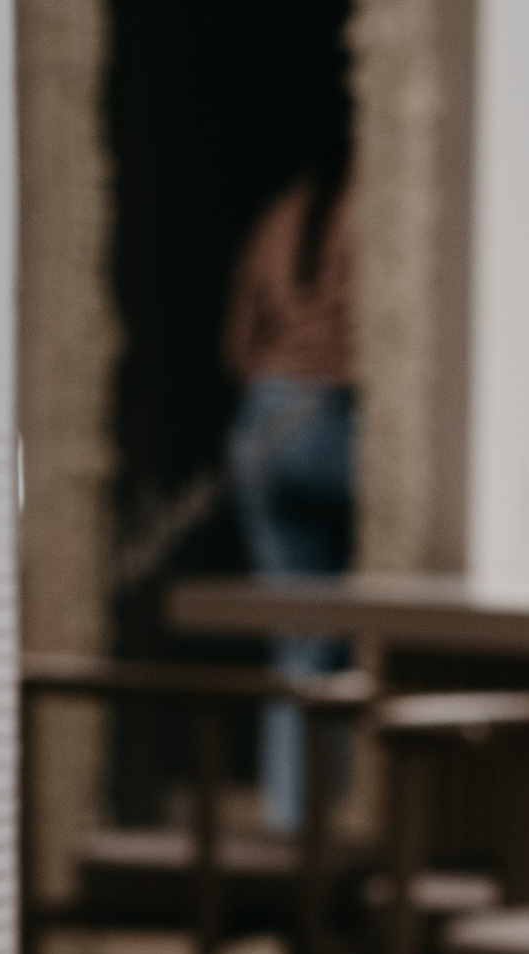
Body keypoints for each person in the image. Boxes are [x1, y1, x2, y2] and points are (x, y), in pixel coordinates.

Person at [224, 144, 357, 830]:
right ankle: (337, 820)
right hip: (329, 413)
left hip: (260, 421)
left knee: (297, 639)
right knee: (350, 625)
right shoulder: (375, 211)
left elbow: (238, 342)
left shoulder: (284, 212)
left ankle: (291, 826)